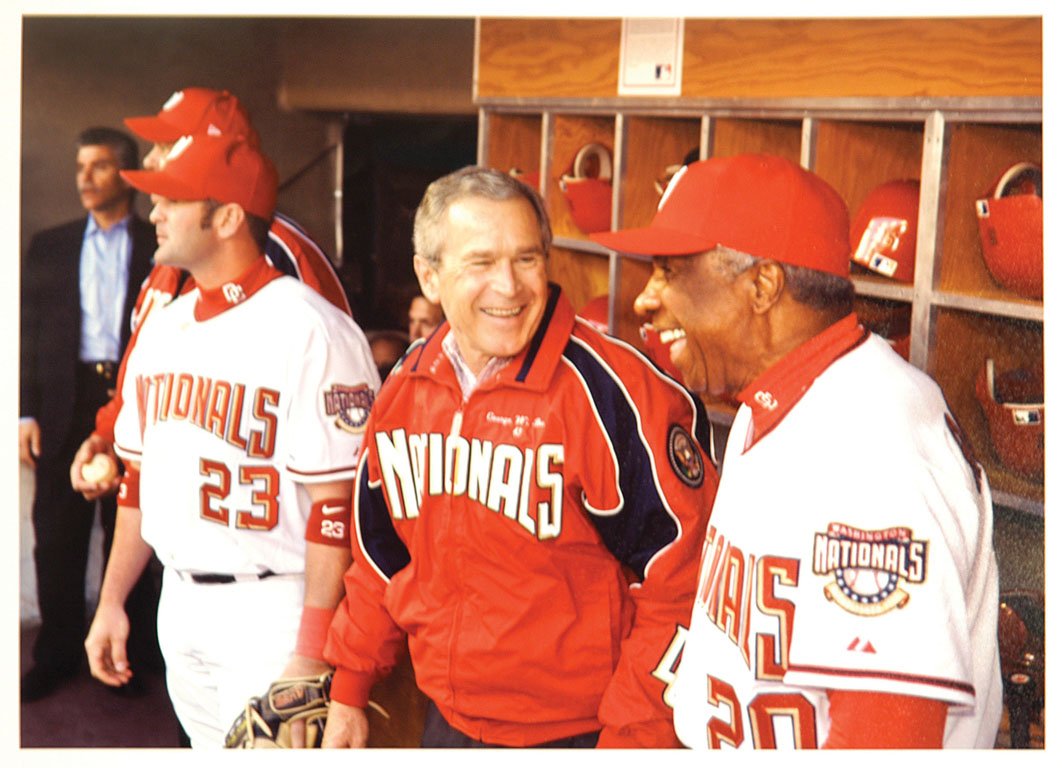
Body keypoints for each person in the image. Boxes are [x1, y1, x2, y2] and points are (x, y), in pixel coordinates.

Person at [591, 153, 1002, 749]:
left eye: (671, 271)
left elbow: (885, 744)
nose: (645, 300)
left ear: (763, 285)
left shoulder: (874, 455)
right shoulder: (780, 402)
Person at [321, 166, 717, 749]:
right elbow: (381, 558)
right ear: (429, 277)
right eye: (480, 263)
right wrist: (350, 690)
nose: (509, 287)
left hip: (585, 735)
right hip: (448, 723)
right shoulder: (405, 389)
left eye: (526, 259)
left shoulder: (614, 392)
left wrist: (634, 739)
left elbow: (684, 584)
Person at [83, 133, 380, 748]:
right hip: (179, 602)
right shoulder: (163, 328)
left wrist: (312, 651)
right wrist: (113, 599)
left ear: (226, 217)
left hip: (273, 607)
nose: (155, 213)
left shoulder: (313, 329)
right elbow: (140, 483)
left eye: (172, 199)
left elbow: (338, 507)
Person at [70, 87, 352, 504]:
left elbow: (331, 396)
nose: (149, 158)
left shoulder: (277, 249)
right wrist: (108, 434)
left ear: (213, 148)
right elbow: (146, 366)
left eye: (166, 145)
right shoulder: (176, 250)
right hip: (180, 501)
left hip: (260, 521)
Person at [19, 126, 159, 702]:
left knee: (132, 527)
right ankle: (55, 652)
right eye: (81, 165)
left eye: (99, 166)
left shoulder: (161, 245)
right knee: (55, 533)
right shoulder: (49, 245)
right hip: (63, 399)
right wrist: (24, 413)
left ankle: (129, 650)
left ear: (127, 176)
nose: (84, 177)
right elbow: (26, 336)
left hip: (132, 400)